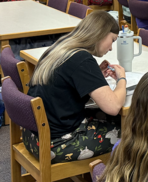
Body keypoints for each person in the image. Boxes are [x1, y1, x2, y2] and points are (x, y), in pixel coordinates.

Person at [24, 11, 125, 163]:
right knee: (131, 131)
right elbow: (113, 106)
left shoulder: (61, 47)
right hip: (56, 144)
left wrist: (94, 75)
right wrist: (122, 79)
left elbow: (65, 81)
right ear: (101, 34)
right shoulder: (82, 59)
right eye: (112, 40)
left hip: (33, 134)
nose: (111, 48)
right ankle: (115, 181)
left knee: (107, 116)